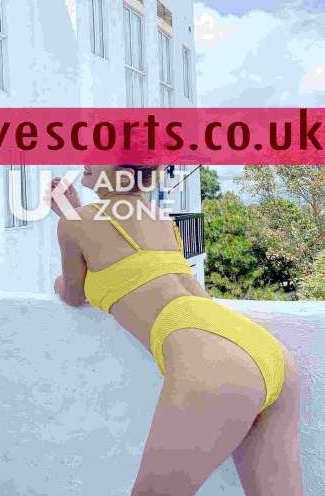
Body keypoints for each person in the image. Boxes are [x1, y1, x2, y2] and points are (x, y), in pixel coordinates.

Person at [47, 164, 304, 496]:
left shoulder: (75, 222)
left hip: (209, 359)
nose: (87, 159)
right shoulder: (162, 220)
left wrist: (67, 220)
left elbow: (73, 294)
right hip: (263, 350)